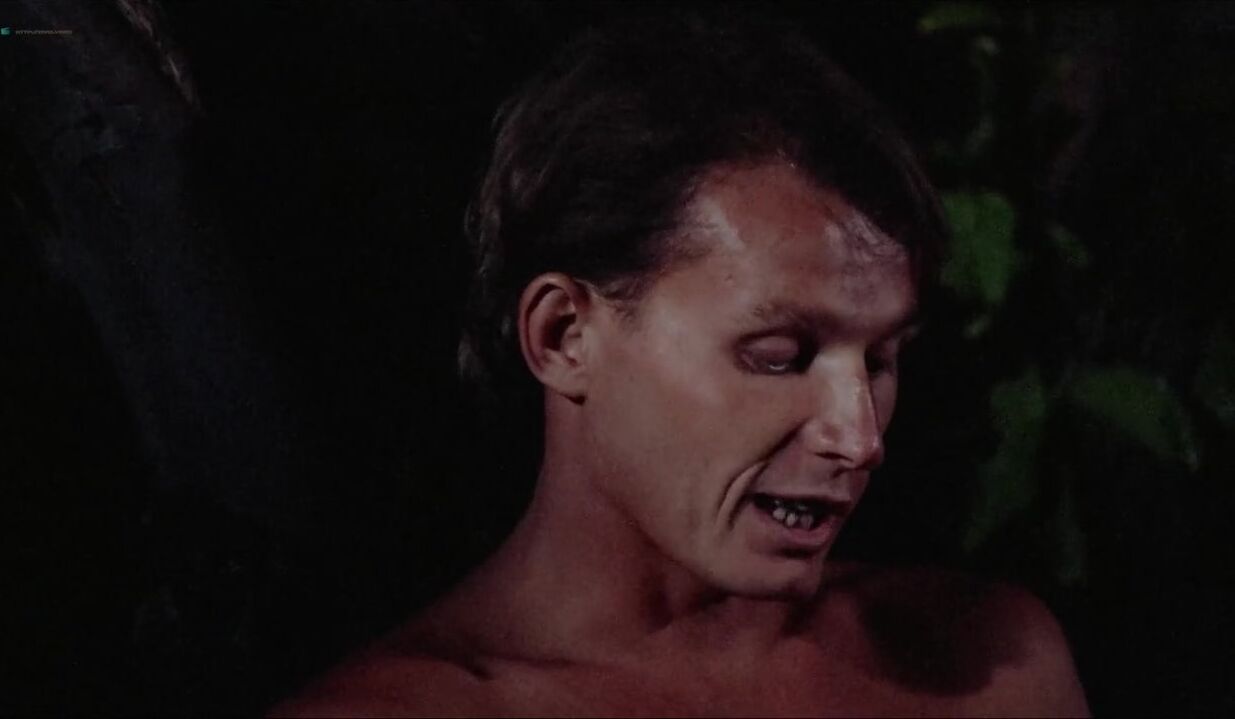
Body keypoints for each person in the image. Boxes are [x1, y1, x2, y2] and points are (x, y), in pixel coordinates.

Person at [275, 12, 1090, 717]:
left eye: (880, 358)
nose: (858, 438)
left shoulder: (987, 662)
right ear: (563, 335)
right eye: (778, 358)